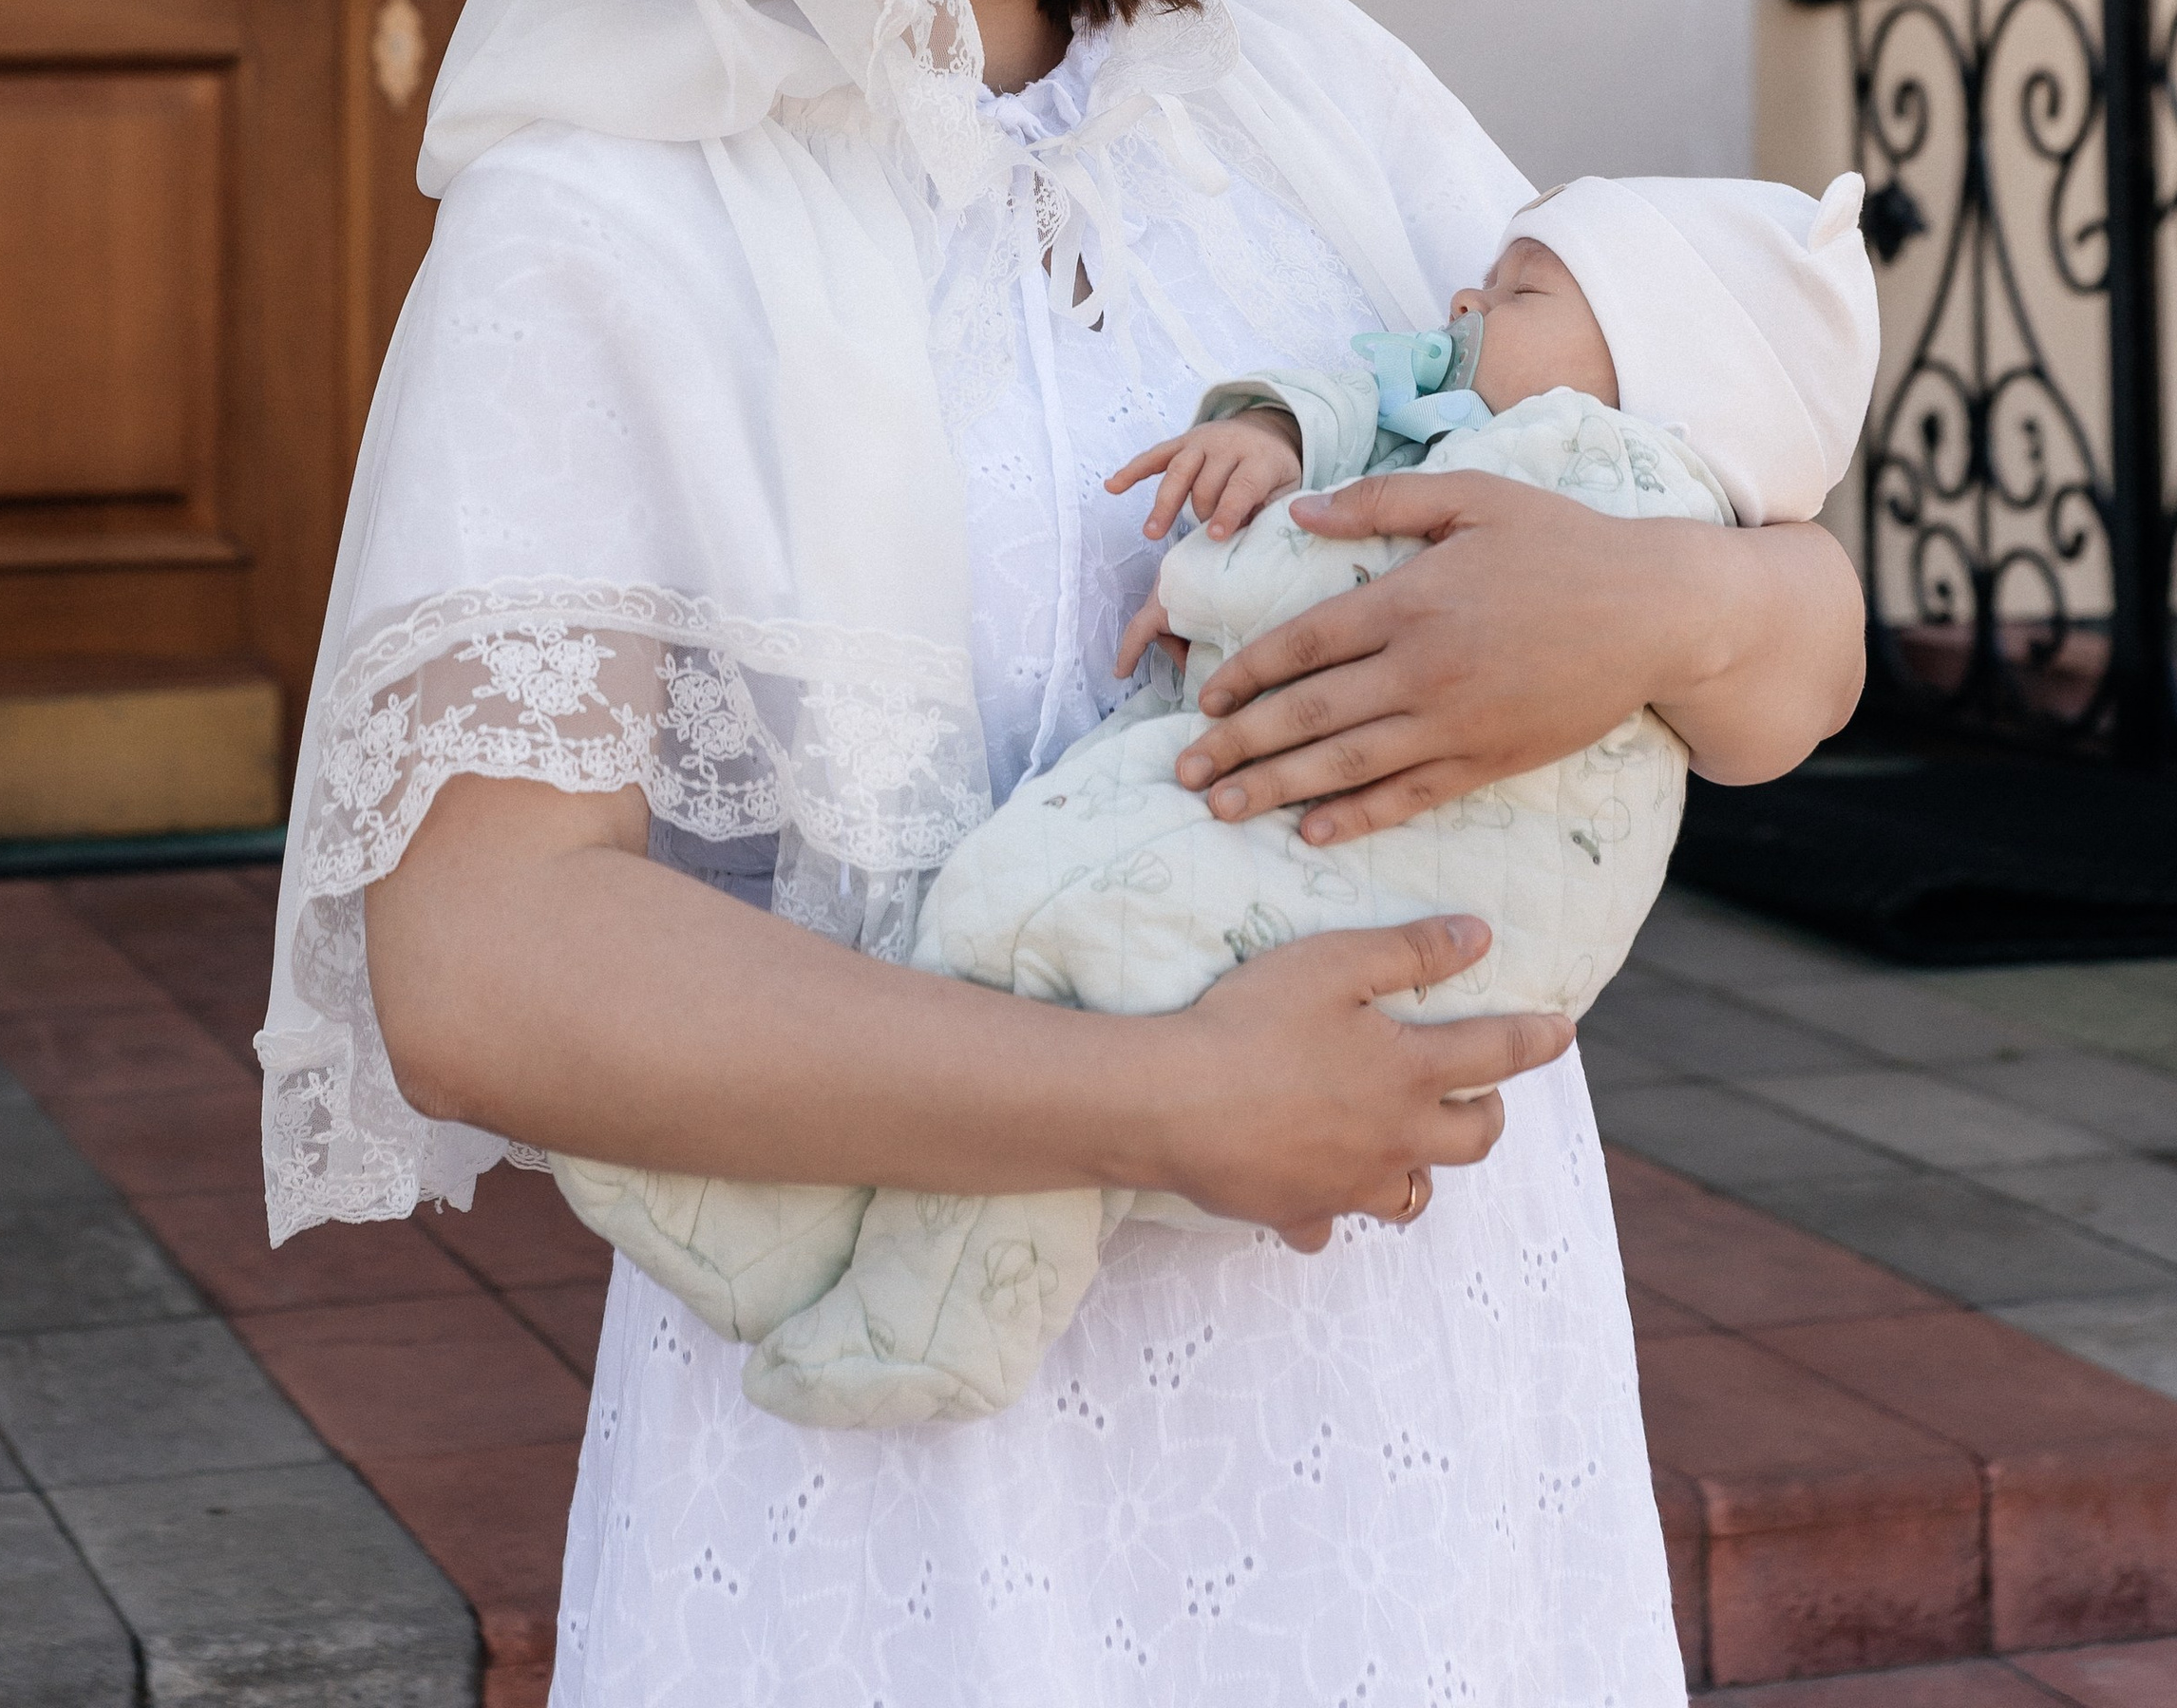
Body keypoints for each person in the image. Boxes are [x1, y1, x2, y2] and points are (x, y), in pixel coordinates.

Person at [256, 0, 1865, 1705]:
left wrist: (1661, 605)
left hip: (1415, 1393)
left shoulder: (1313, 96)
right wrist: (1159, 1102)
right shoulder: (611, 219)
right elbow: (483, 963)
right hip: (920, 1472)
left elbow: (1789, 661)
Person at [539, 177, 1878, 1433]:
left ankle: (919, 1301)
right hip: (1409, 942)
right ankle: (830, 1241)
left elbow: (1349, 573)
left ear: (1664, 372)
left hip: (1385, 897)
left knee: (1033, 932)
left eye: (1522, 292)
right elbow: (1365, 426)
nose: (1467, 303)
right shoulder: (1544, 445)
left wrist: (1209, 579)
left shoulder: (1593, 467)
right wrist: (1279, 430)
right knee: (1069, 994)